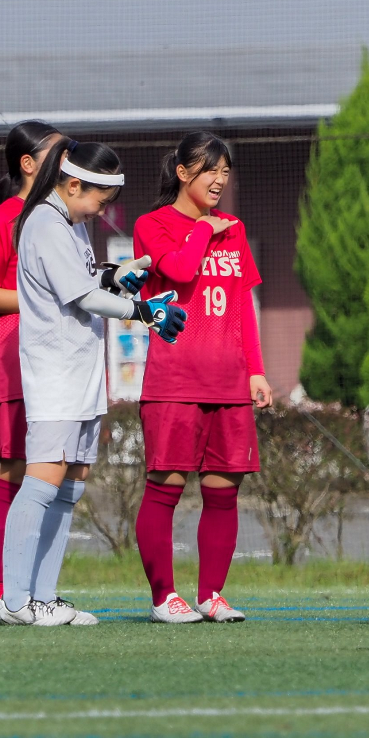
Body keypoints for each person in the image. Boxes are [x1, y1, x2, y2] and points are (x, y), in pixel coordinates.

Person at [0, 139, 186, 626]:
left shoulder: (73, 223)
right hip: (55, 372)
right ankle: (16, 602)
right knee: (43, 480)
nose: (104, 211)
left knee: (72, 484)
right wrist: (143, 310)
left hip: (82, 370)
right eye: (100, 201)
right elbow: (81, 295)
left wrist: (119, 275)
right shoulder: (44, 221)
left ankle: (44, 595)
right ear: (74, 184)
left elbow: (87, 278)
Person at [132, 131, 271, 624]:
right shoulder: (152, 225)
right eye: (210, 170)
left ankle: (212, 594)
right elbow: (182, 271)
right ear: (182, 173)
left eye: (225, 172)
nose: (219, 180)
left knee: (223, 492)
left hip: (229, 382)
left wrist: (256, 370)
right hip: (174, 380)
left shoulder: (233, 227)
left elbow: (242, 305)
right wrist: (202, 231)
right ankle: (164, 597)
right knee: (164, 489)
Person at [0, 120, 62, 625]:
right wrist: (40, 301)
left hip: (53, 361)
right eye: (55, 154)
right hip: (9, 360)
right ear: (27, 164)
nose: (66, 163)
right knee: (10, 473)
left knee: (49, 476)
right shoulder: (3, 221)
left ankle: (31, 594)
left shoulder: (62, 221)